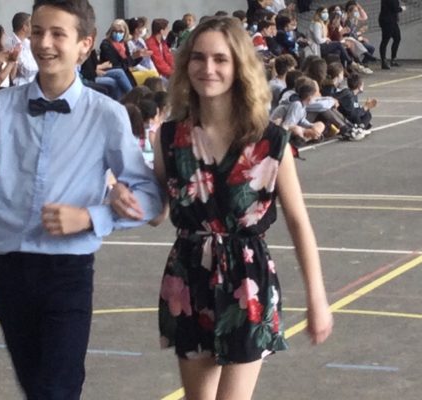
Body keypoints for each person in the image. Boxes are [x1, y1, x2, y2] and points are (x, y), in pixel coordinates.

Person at [0, 0, 162, 398]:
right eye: (38, 32)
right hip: (9, 268)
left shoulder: (107, 115)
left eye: (58, 34)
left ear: (85, 44)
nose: (44, 43)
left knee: (58, 388)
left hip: (68, 268)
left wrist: (92, 217)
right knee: (36, 387)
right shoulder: (1, 107)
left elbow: (149, 196)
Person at [123, 16, 332, 399]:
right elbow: (158, 212)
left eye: (220, 59)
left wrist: (316, 298)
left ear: (239, 67)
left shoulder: (271, 140)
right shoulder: (169, 137)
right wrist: (123, 200)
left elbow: (299, 222)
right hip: (189, 277)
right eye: (198, 58)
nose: (208, 68)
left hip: (246, 279)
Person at [7, 12, 39, 86]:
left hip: (31, 84)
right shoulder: (11, 43)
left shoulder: (27, 42)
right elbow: (27, 70)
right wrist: (42, 64)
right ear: (24, 27)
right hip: (19, 86)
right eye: (31, 24)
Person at [379, 0, 404, 69]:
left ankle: (393, 59)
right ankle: (383, 62)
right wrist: (401, 9)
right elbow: (394, 8)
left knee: (397, 38)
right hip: (387, 21)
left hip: (393, 21)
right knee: (385, 40)